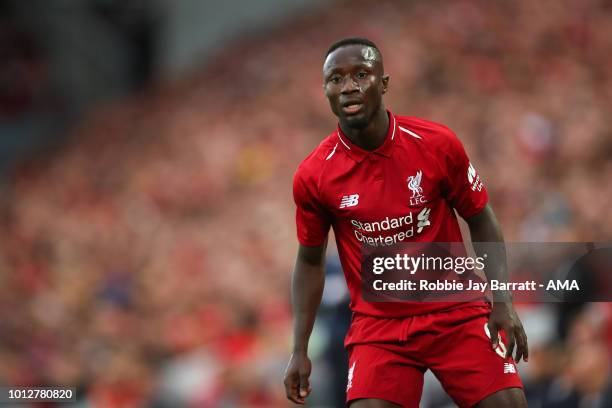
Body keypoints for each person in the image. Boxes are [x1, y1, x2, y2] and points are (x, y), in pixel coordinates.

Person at [283, 37, 529, 408]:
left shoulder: (435, 143)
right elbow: (310, 260)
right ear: (325, 91)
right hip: (379, 329)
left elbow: (481, 218)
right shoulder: (314, 174)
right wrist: (299, 348)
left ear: (383, 84)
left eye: (361, 74)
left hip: (456, 312)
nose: (348, 86)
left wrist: (503, 300)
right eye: (336, 79)